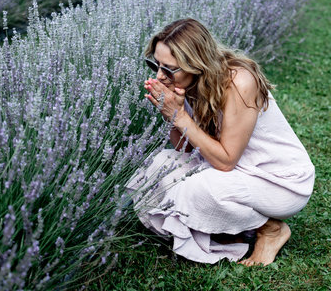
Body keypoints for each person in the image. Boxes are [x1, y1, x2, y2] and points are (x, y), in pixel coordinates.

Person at [126, 18, 315, 266]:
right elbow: (187, 150)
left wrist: (179, 115)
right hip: (234, 171)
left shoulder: (239, 82)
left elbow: (225, 161)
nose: (161, 76)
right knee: (161, 165)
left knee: (198, 189)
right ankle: (232, 229)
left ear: (196, 64)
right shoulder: (191, 82)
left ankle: (270, 229)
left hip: (278, 180)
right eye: (156, 65)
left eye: (170, 69)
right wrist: (171, 112)